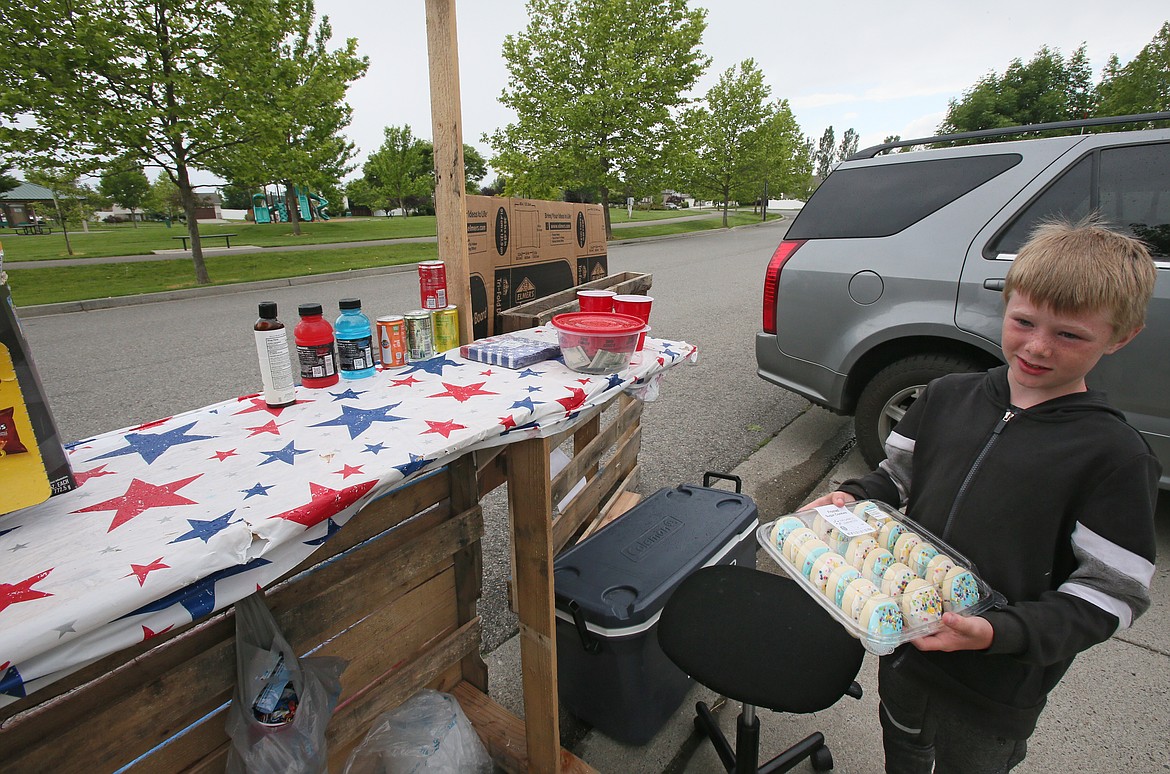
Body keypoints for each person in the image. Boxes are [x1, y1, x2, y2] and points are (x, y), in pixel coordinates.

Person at [804, 217, 1160, 773]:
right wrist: (853, 497)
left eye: (1070, 335)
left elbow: (1112, 594)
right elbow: (896, 479)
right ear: (1006, 305)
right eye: (1023, 321)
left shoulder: (1113, 455)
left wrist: (1002, 631)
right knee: (902, 741)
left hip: (995, 683)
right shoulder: (946, 395)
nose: (1038, 347)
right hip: (904, 641)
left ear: (1120, 336)